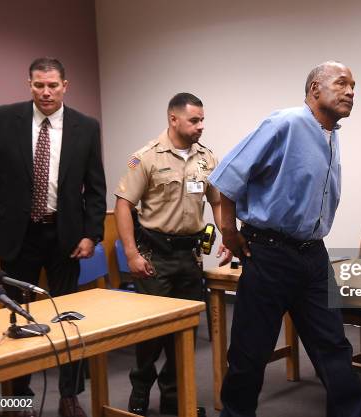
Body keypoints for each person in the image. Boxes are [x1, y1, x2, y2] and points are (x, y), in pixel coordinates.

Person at [207, 61, 361, 417]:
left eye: (354, 86)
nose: (351, 91)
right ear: (314, 89)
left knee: (334, 347)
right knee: (250, 352)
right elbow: (226, 177)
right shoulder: (286, 122)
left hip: (313, 255)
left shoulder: (332, 134)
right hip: (270, 253)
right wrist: (229, 233)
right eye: (342, 83)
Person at [0, 57, 106, 417]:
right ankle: (18, 398)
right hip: (18, 235)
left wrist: (92, 234)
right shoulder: (5, 118)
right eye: (39, 85)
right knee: (16, 318)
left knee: (66, 319)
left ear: (65, 85)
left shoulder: (86, 127)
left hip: (66, 237)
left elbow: (95, 188)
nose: (46, 92)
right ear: (29, 85)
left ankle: (69, 395)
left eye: (53, 85)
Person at [114, 92, 232, 417]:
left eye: (202, 120)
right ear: (173, 119)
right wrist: (131, 253)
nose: (201, 127)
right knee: (152, 334)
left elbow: (219, 202)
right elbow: (124, 205)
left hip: (189, 259)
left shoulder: (207, 158)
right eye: (195, 120)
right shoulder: (146, 157)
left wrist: (229, 237)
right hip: (154, 258)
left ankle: (174, 398)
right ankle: (140, 390)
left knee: (185, 334)